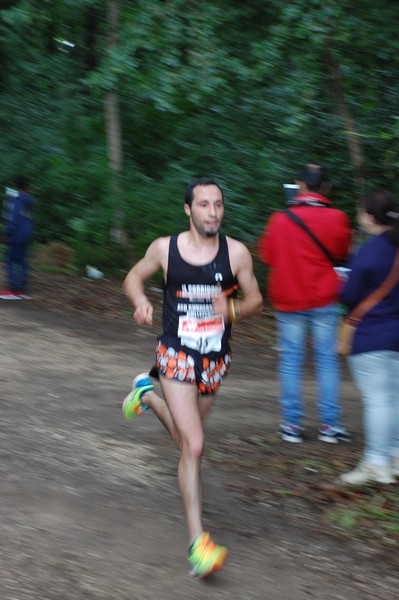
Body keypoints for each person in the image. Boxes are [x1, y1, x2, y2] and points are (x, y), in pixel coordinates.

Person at [122, 178, 263, 577]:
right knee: (196, 446)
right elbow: (132, 278)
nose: (212, 212)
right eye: (203, 205)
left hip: (214, 359)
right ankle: (198, 544)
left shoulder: (236, 253)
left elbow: (256, 299)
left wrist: (231, 310)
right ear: (188, 210)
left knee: (186, 441)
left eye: (218, 204)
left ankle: (148, 396)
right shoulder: (165, 249)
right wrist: (140, 300)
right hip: (176, 354)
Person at [258, 164, 352, 443]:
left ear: (299, 184)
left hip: (289, 300)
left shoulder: (280, 219)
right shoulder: (338, 218)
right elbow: (341, 252)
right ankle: (330, 426)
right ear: (325, 187)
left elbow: (266, 255)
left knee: (290, 361)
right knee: (326, 361)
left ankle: (292, 425)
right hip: (324, 298)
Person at [339, 189, 399, 485]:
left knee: (377, 400)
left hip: (372, 335)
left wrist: (342, 282)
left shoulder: (369, 251)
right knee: (394, 398)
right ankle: (395, 457)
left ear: (368, 216)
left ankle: (376, 462)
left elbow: (349, 295)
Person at [0, 175, 36, 299]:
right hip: (26, 233)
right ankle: (23, 290)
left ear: (15, 185)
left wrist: (7, 234)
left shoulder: (15, 201)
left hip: (16, 235)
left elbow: (13, 220)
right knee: (22, 262)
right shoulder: (28, 200)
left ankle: (13, 290)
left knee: (10, 261)